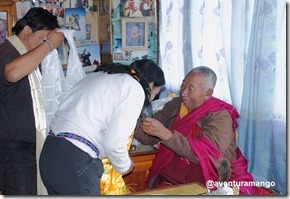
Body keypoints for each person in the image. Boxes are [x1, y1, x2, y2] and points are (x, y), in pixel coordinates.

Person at [39, 59, 165, 195]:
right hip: (75, 159)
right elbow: (114, 143)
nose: (151, 99)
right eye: (155, 93)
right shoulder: (134, 87)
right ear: (151, 85)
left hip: (50, 152)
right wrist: (125, 166)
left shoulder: (99, 75)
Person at [134, 66, 259, 195]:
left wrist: (166, 134)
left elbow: (204, 154)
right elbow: (149, 135)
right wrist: (130, 122)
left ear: (208, 93)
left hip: (212, 178)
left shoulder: (220, 116)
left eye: (190, 88)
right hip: (174, 177)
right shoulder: (176, 105)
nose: (183, 93)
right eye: (183, 85)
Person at [0, 7, 64, 195]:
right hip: (14, 152)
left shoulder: (25, 56)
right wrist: (49, 45)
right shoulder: (6, 51)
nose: (44, 44)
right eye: (42, 38)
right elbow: (11, 73)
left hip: (29, 147)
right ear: (27, 31)